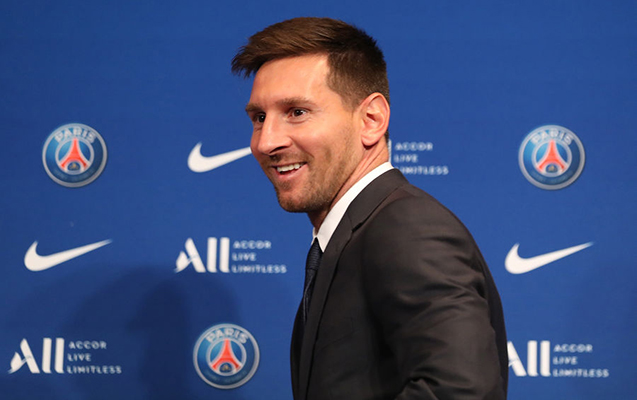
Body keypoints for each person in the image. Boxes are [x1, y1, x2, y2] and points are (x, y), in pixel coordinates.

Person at [232, 17, 507, 400]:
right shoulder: (355, 235)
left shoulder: (406, 228)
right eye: (259, 118)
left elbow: (462, 391)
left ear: (371, 120)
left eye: (297, 112)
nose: (266, 142)